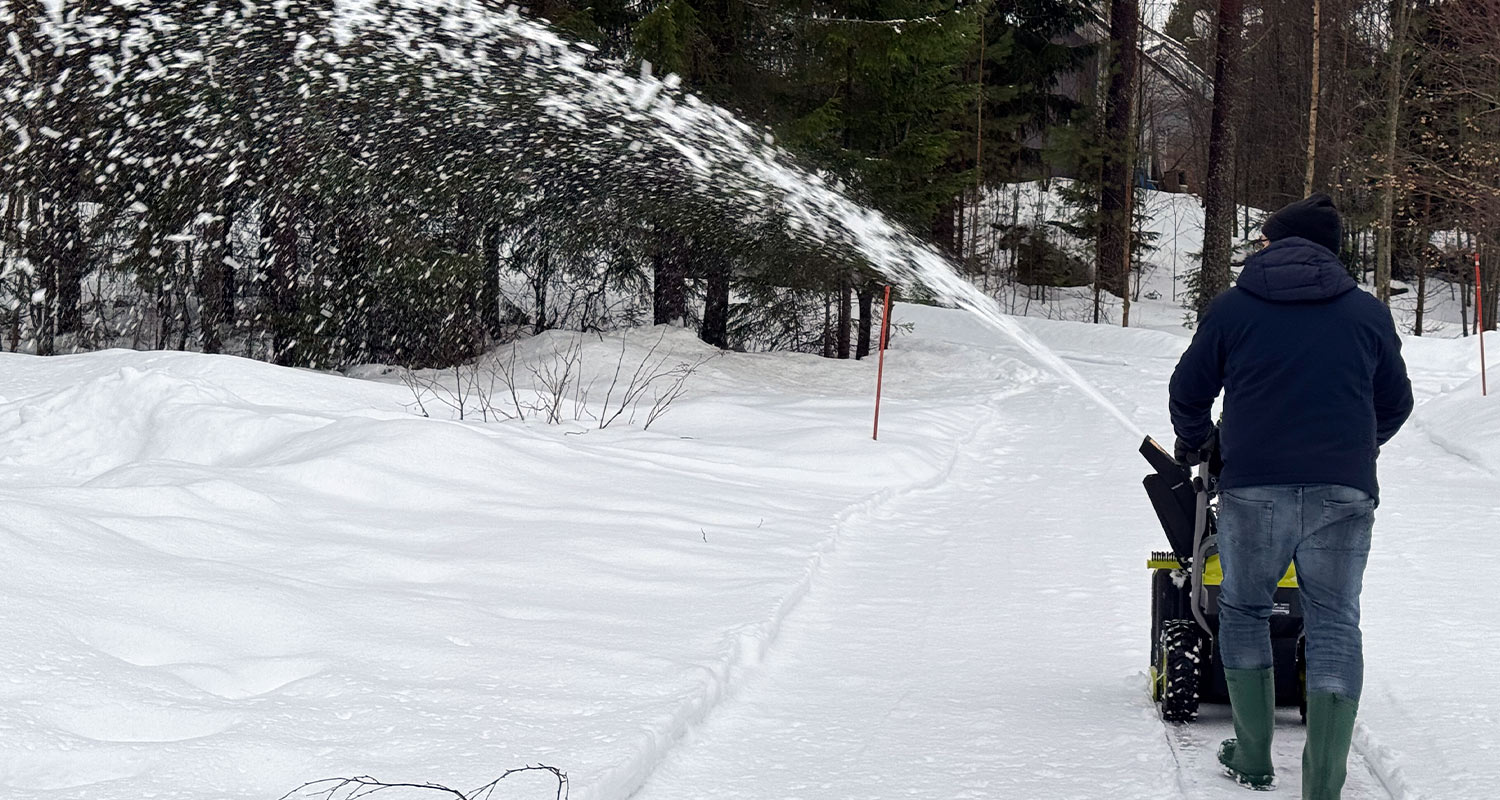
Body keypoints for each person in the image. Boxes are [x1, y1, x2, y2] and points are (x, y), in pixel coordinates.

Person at [1168, 193, 1413, 798]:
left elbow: (1189, 389)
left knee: (1245, 610)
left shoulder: (1234, 308)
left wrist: (1196, 443)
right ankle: (1323, 784)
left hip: (1255, 488)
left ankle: (1252, 758)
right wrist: (1357, 449)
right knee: (1335, 622)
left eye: (1264, 239)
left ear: (1276, 244)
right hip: (1344, 491)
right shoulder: (1365, 313)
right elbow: (1397, 402)